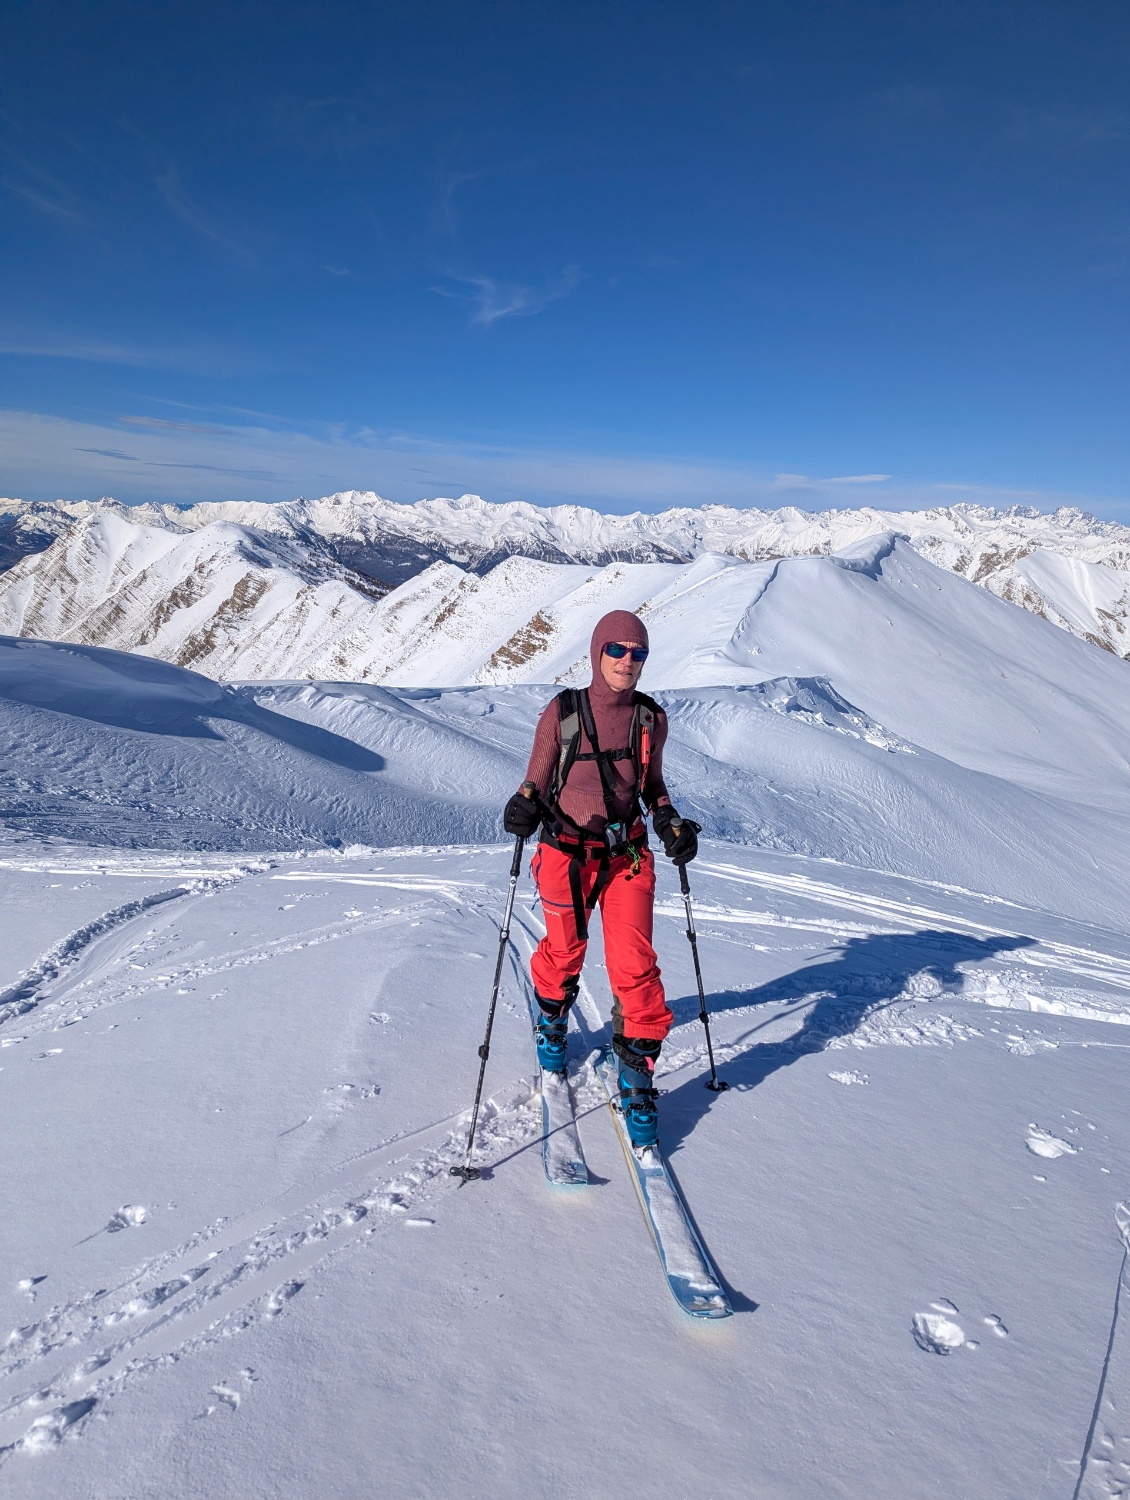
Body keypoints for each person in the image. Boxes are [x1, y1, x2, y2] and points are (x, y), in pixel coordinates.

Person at [502, 609, 700, 1149]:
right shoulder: (562, 713)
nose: (628, 661)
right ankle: (552, 1021)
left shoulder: (649, 721)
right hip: (564, 852)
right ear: (597, 653)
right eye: (617, 650)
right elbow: (536, 782)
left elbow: (653, 785)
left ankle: (637, 1082)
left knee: (635, 968)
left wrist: (668, 820)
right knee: (566, 950)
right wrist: (520, 808)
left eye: (639, 653)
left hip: (626, 856)